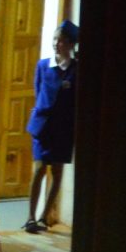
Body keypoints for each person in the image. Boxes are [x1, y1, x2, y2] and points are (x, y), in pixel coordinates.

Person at [24, 21, 79, 234]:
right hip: (43, 127)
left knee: (57, 171)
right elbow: (38, 92)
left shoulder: (75, 69)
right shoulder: (43, 65)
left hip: (63, 129)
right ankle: (30, 217)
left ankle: (44, 217)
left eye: (61, 40)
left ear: (71, 44)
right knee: (39, 169)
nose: (56, 44)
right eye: (55, 39)